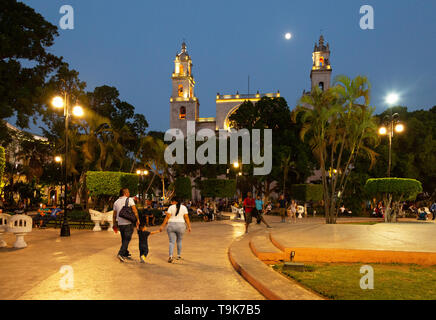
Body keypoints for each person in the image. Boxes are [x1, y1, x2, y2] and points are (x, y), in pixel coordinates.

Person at [159, 198, 192, 263]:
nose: (171, 202)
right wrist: (189, 226)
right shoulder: (184, 207)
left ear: (175, 201)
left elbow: (167, 217)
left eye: (172, 201)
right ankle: (178, 255)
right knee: (179, 241)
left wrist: (162, 226)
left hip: (171, 225)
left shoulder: (171, 207)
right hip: (181, 225)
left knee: (171, 242)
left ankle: (170, 256)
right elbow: (186, 217)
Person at [113, 188, 140, 262]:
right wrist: (137, 219)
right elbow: (135, 210)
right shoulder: (129, 200)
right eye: (128, 192)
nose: (129, 193)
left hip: (120, 223)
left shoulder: (116, 202)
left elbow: (114, 215)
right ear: (125, 193)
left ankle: (125, 253)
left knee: (124, 239)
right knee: (127, 239)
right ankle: (120, 253)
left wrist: (114, 224)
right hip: (128, 223)